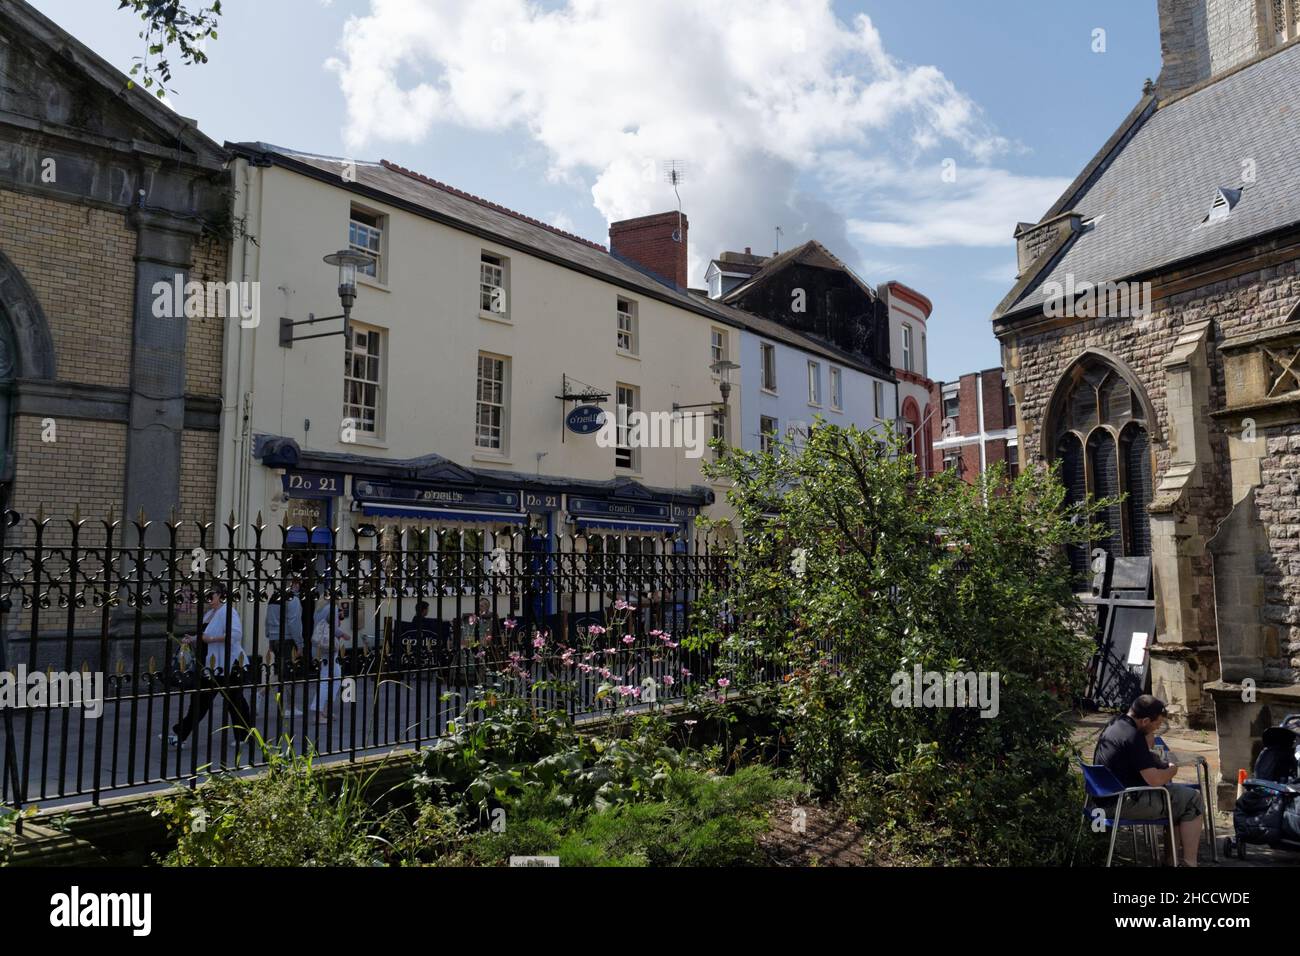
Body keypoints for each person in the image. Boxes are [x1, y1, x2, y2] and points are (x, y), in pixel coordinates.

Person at [1093, 694, 1204, 866]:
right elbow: (1154, 780)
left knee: (1176, 802)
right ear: (1145, 721)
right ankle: (1189, 863)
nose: (1157, 728)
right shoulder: (1133, 737)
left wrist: (1148, 742)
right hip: (1122, 803)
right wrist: (1172, 770)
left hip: (1102, 798)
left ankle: (1172, 860)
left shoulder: (1115, 724)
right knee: (1192, 800)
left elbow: (1138, 759)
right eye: (1157, 724)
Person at [168, 584, 254, 748]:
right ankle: (180, 735)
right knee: (200, 701)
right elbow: (204, 635)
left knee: (235, 702)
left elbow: (235, 634)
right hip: (211, 665)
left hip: (229, 664)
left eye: (211, 594)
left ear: (221, 595)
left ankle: (245, 736)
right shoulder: (209, 614)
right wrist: (193, 638)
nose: (208, 598)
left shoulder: (228, 611)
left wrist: (211, 639)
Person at [311, 601, 351, 717]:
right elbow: (333, 628)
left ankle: (326, 709)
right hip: (328, 647)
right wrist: (344, 635)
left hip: (319, 647)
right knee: (325, 680)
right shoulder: (332, 607)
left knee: (336, 678)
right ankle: (318, 712)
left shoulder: (319, 608)